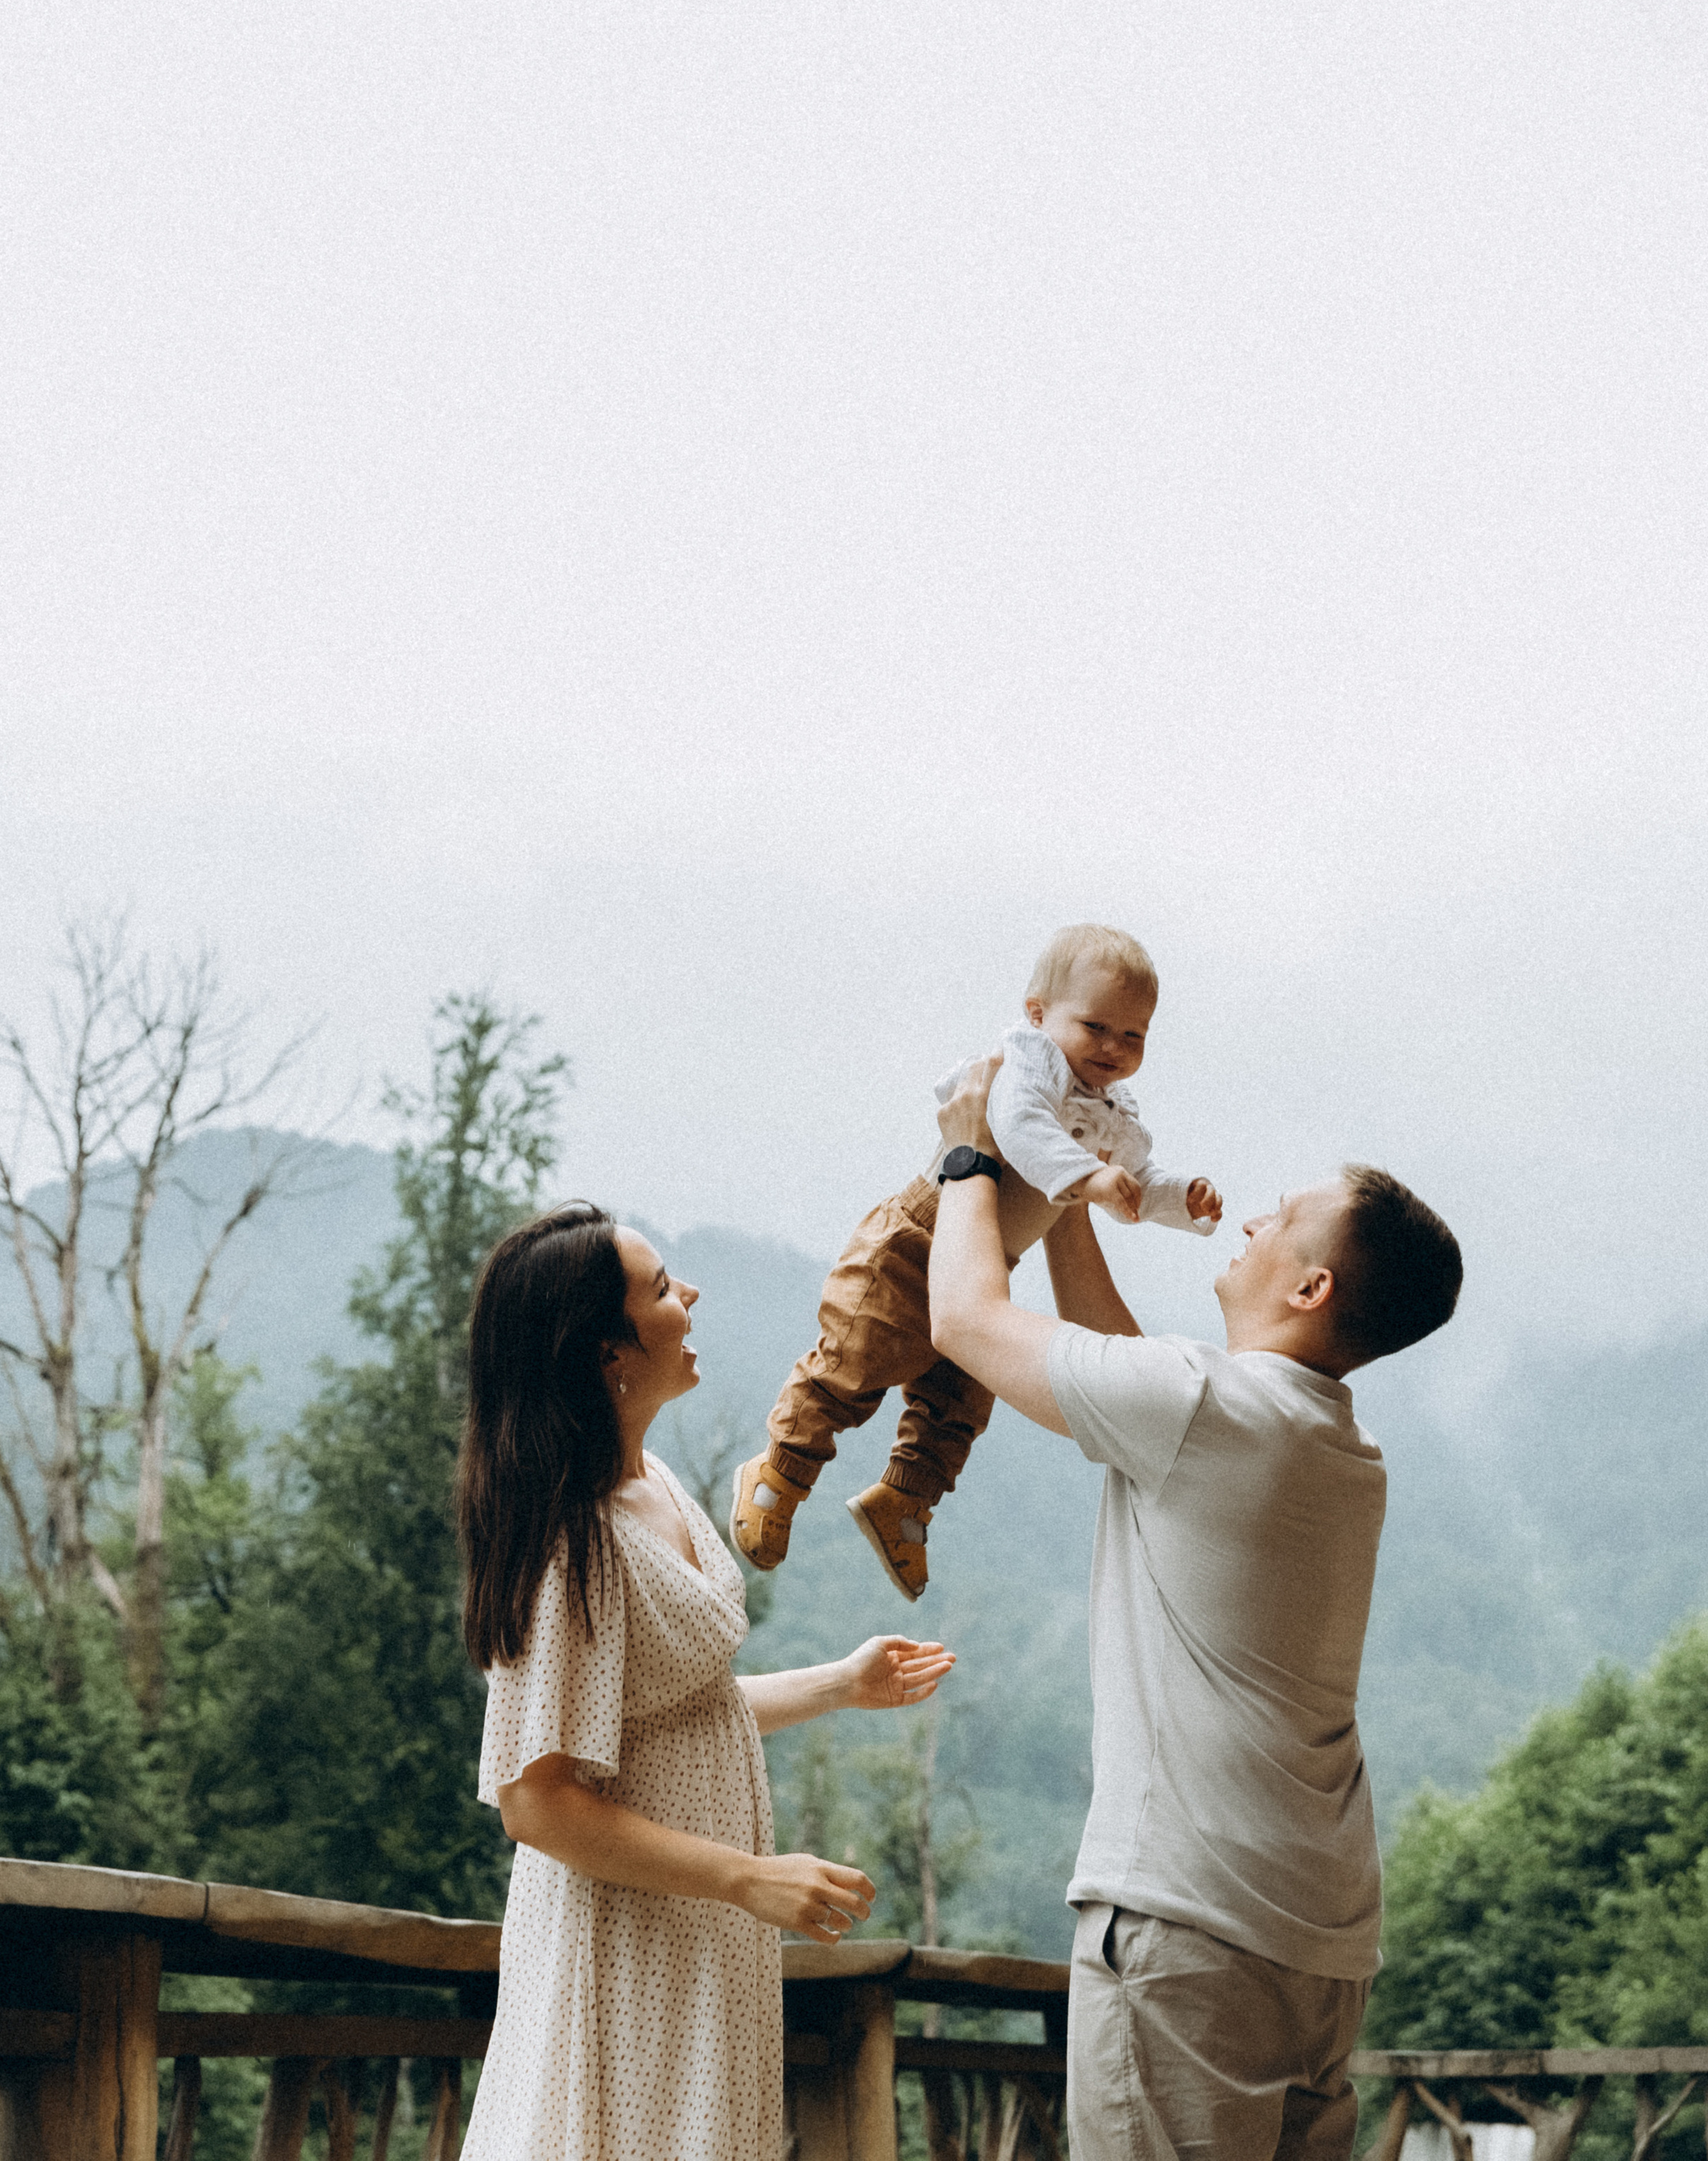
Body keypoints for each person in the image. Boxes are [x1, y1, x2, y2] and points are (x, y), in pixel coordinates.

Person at [925, 1059, 1463, 2161]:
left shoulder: (1205, 1410)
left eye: (1282, 1219)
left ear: (1311, 1288)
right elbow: (1132, 1377)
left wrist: (970, 1153)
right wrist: (1071, 1190)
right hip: (1320, 1943)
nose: (1254, 1220)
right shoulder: (1339, 1449)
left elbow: (965, 1320)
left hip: (1191, 1920)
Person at [456, 1201, 954, 2161]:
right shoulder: (569, 1541)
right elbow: (537, 1801)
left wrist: (840, 1684)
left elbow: (674, 1715)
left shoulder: (654, 1484)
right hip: (625, 1947)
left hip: (698, 1938)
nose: (689, 1294)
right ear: (608, 1351)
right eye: (659, 1288)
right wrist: (748, 1877)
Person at [731, 923, 1222, 1599]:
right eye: (1095, 1027)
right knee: (854, 1364)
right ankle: (780, 1471)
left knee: (957, 1403)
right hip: (917, 1239)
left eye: (1133, 1036)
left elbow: (1137, 1178)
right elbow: (1022, 1129)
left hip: (988, 1264)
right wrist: (1089, 1177)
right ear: (1038, 1014)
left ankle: (904, 1502)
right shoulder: (1026, 1065)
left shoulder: (1113, 1111)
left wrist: (1181, 1199)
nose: (1113, 1048)